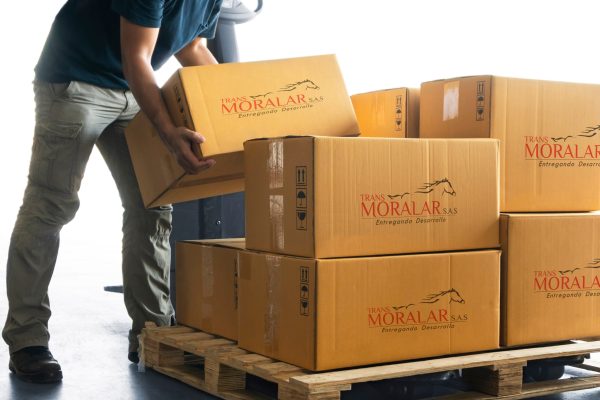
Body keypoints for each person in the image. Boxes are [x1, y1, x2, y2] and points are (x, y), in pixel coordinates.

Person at [3, 0, 222, 384]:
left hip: (131, 85)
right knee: (51, 205)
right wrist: (168, 132)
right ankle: (27, 339)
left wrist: (244, 103)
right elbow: (137, 54)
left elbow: (193, 47)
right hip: (76, 78)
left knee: (152, 204)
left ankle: (152, 334)